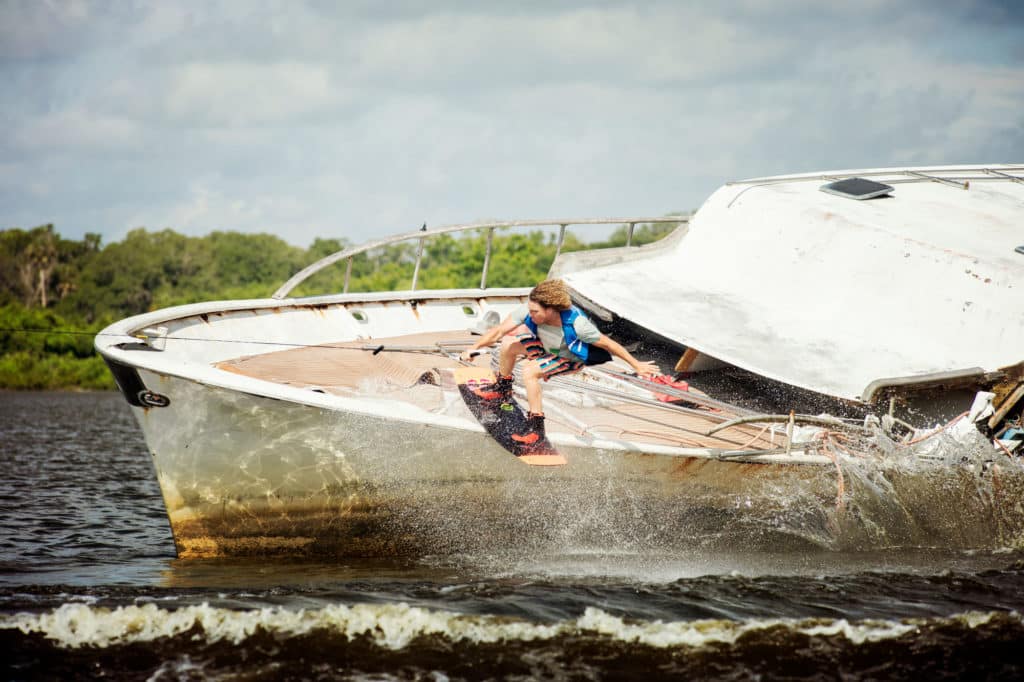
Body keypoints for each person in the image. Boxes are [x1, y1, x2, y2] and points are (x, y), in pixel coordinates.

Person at [459, 279, 660, 440]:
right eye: (529, 310)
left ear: (552, 309)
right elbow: (498, 331)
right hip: (547, 348)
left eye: (535, 312)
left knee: (530, 372)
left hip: (569, 358)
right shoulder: (530, 311)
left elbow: (609, 344)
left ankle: (536, 428)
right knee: (508, 344)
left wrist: (637, 365)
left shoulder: (578, 325)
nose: (530, 314)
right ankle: (502, 389)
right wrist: (473, 348)